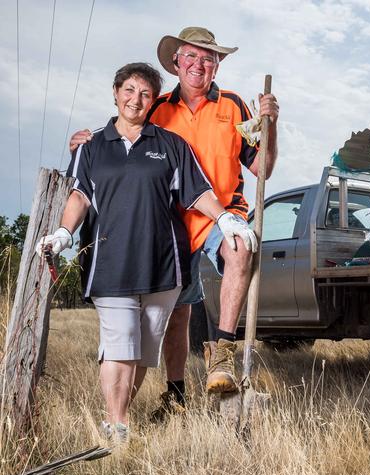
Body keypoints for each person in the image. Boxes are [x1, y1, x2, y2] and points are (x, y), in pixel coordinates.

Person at [70, 27, 279, 421]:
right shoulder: (158, 106)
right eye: (191, 57)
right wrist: (84, 141)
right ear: (176, 63)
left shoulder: (234, 106)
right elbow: (120, 135)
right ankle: (177, 392)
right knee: (179, 313)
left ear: (216, 65)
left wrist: (271, 125)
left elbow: (261, 167)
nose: (199, 65)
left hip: (221, 212)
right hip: (171, 222)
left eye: (207, 58)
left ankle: (221, 351)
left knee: (240, 249)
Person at [45, 62, 255, 442]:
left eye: (144, 93)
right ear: (115, 92)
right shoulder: (92, 146)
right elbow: (79, 193)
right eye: (128, 90)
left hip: (163, 264)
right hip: (112, 261)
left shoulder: (171, 145)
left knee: (143, 349)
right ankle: (117, 425)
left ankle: (120, 418)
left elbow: (197, 191)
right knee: (120, 340)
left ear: (152, 100)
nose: (135, 99)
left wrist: (226, 219)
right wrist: (64, 230)